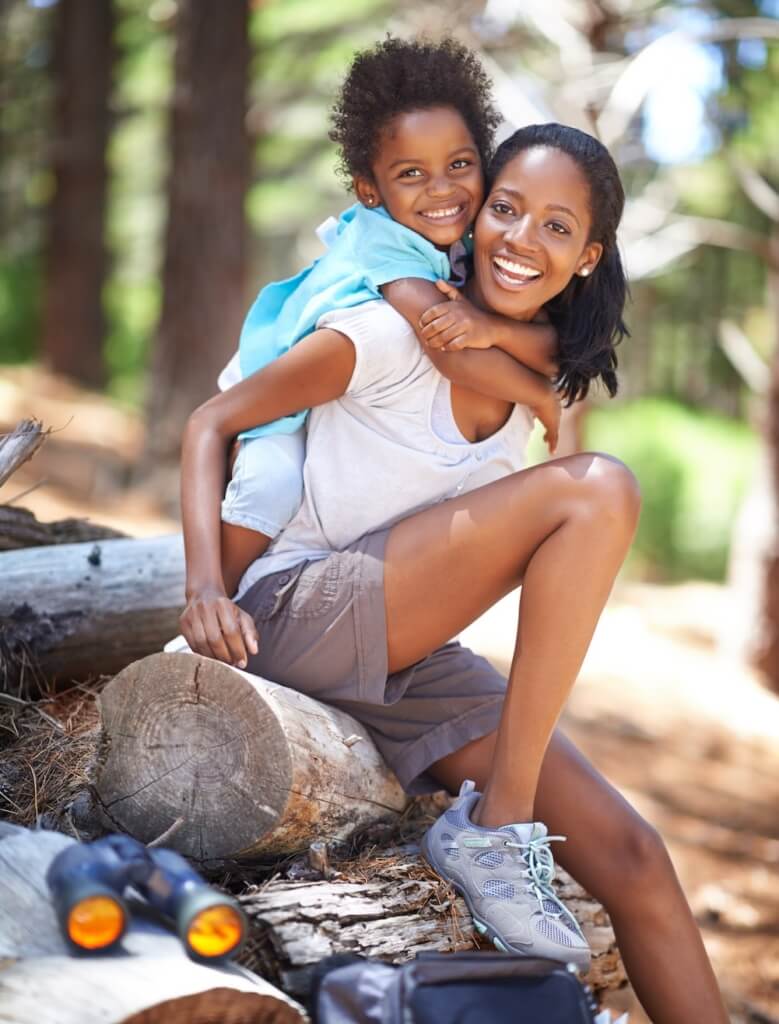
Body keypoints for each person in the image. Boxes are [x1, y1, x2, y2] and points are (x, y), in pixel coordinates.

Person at [180, 123, 729, 1022]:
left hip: (402, 652)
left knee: (632, 855)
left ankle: (503, 829)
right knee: (598, 491)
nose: (521, 239)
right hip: (288, 615)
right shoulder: (385, 333)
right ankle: (497, 827)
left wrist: (534, 384)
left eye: (556, 227)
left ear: (587, 257)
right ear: (473, 218)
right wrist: (205, 588)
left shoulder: (530, 378)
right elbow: (212, 419)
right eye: (506, 209)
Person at [217, 37, 561, 597]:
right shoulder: (385, 245)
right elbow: (450, 352)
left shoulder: (464, 229)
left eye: (459, 165)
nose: (443, 188)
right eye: (412, 174)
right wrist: (539, 395)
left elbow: (548, 346)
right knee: (272, 488)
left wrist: (496, 330)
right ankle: (221, 602)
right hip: (272, 383)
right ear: (369, 190)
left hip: (336, 392)